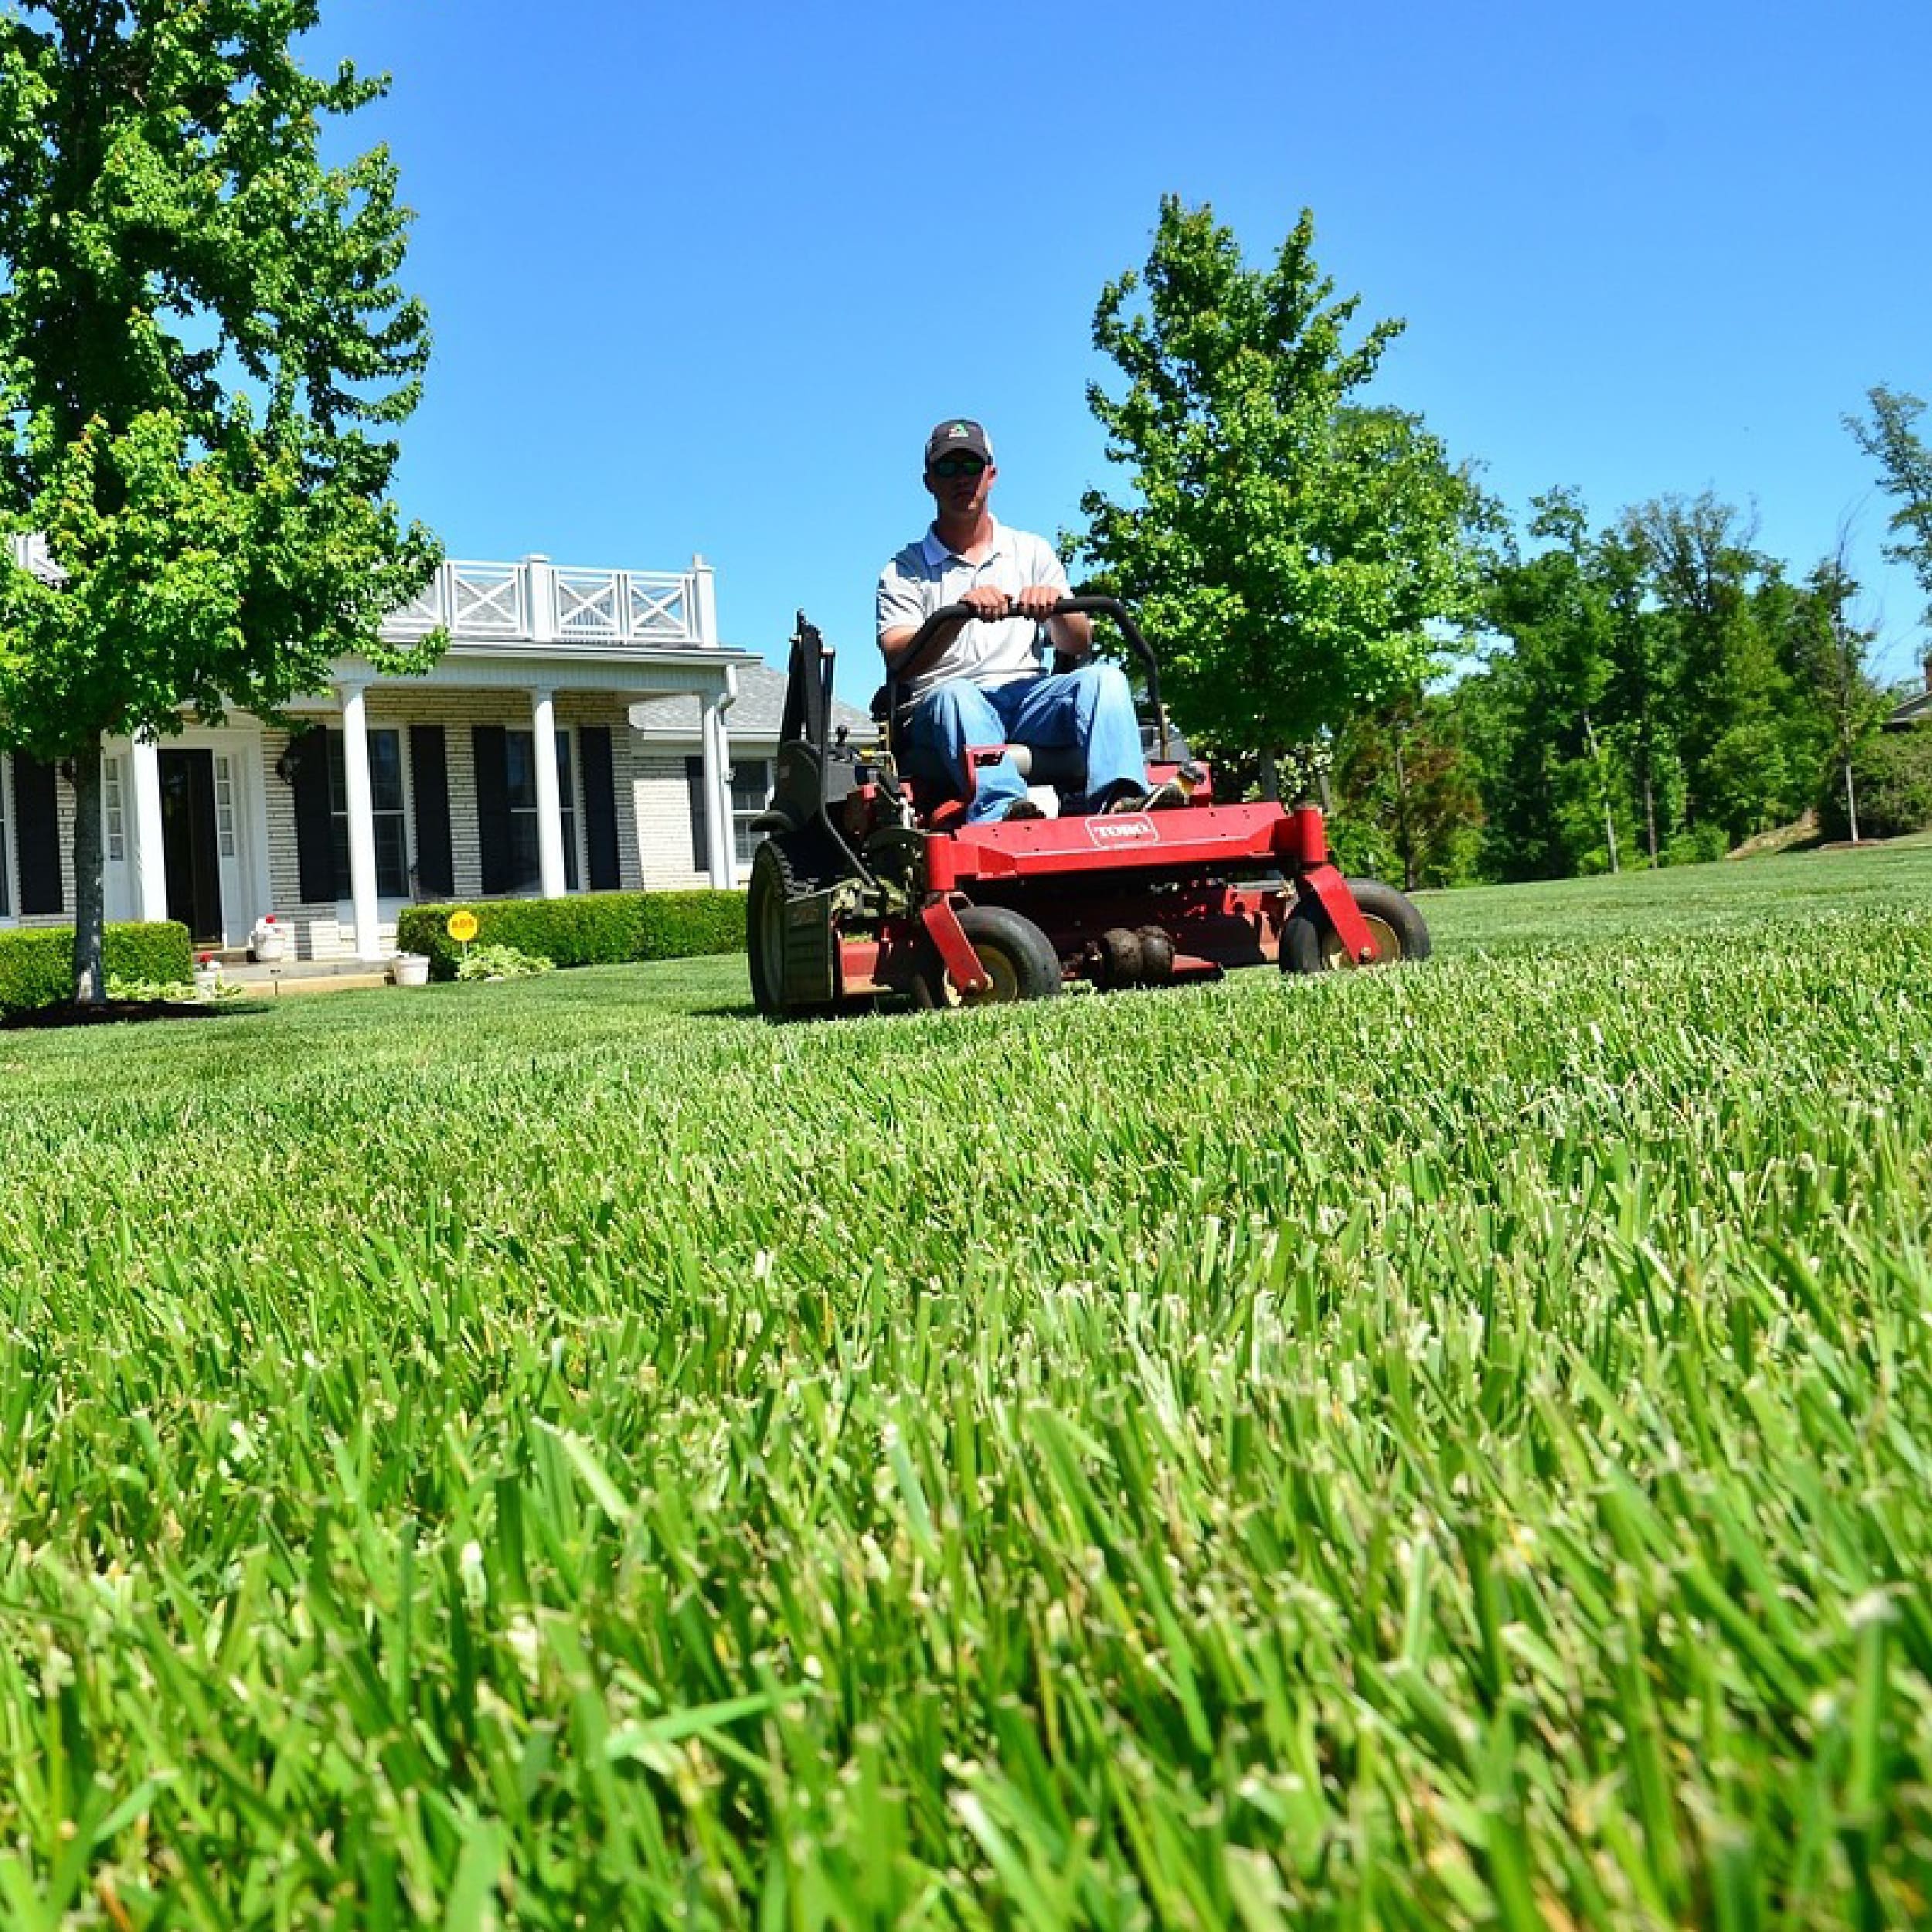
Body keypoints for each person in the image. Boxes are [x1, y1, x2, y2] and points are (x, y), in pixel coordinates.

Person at [876, 418, 1182, 823]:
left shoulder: (1031, 551)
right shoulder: (905, 569)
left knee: (1105, 678)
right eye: (948, 469)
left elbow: (1078, 644)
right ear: (929, 481)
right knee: (957, 696)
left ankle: (1121, 798)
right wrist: (956, 618)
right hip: (945, 709)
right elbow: (899, 657)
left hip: (1028, 698)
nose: (961, 479)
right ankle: (1004, 810)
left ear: (991, 474)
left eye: (971, 467)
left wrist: (1057, 609)